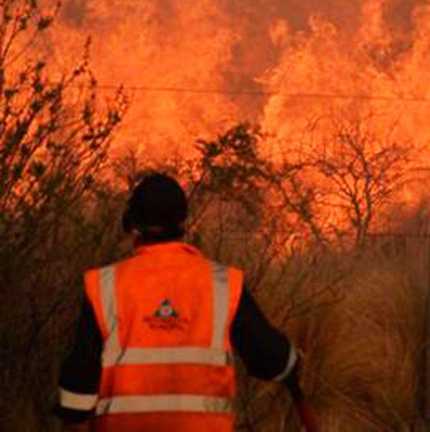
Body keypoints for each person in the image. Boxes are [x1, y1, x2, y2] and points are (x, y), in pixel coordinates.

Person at [55, 173, 303, 431]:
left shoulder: (103, 286)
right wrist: (292, 362)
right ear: (183, 222)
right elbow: (273, 361)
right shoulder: (222, 284)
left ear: (132, 224)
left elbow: (76, 404)